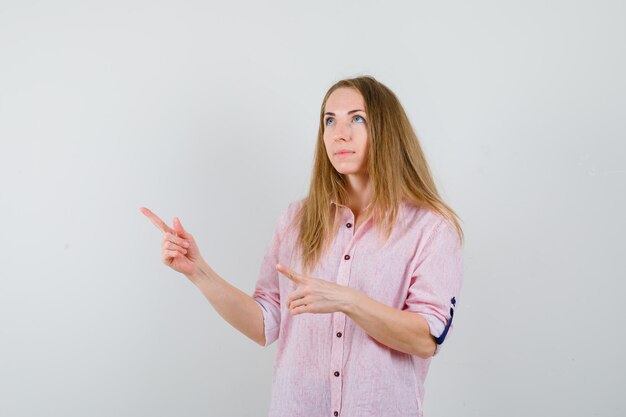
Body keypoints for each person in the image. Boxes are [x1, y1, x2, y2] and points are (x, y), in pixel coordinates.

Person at [140, 75, 464, 417]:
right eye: (329, 120)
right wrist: (199, 271)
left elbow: (425, 340)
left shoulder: (431, 229)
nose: (340, 133)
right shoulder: (296, 220)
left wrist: (347, 300)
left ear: (387, 130)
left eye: (357, 118)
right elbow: (265, 324)